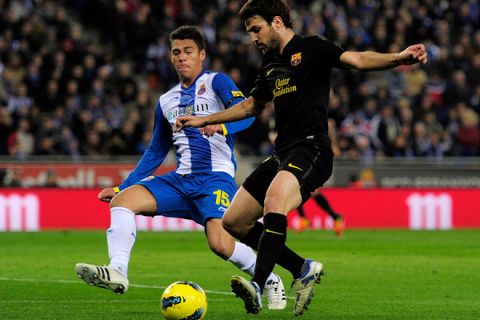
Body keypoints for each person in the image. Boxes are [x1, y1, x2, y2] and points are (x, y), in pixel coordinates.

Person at [176, 0, 427, 316]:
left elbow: (359, 59)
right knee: (233, 221)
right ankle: (302, 268)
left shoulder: (312, 49)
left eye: (256, 29)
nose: (252, 37)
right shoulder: (269, 64)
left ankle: (257, 283)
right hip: (282, 153)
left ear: (276, 21)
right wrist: (208, 118)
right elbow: (253, 105)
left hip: (313, 149)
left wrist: (400, 57)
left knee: (275, 201)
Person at [75, 25, 287, 310]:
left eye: (188, 51)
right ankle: (118, 271)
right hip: (179, 180)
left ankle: (270, 278)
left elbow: (248, 115)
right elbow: (156, 151)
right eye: (176, 52)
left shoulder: (217, 82)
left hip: (214, 179)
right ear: (171, 57)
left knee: (220, 244)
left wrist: (223, 124)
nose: (182, 57)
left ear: (201, 54)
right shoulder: (165, 101)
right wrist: (121, 186)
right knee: (122, 202)